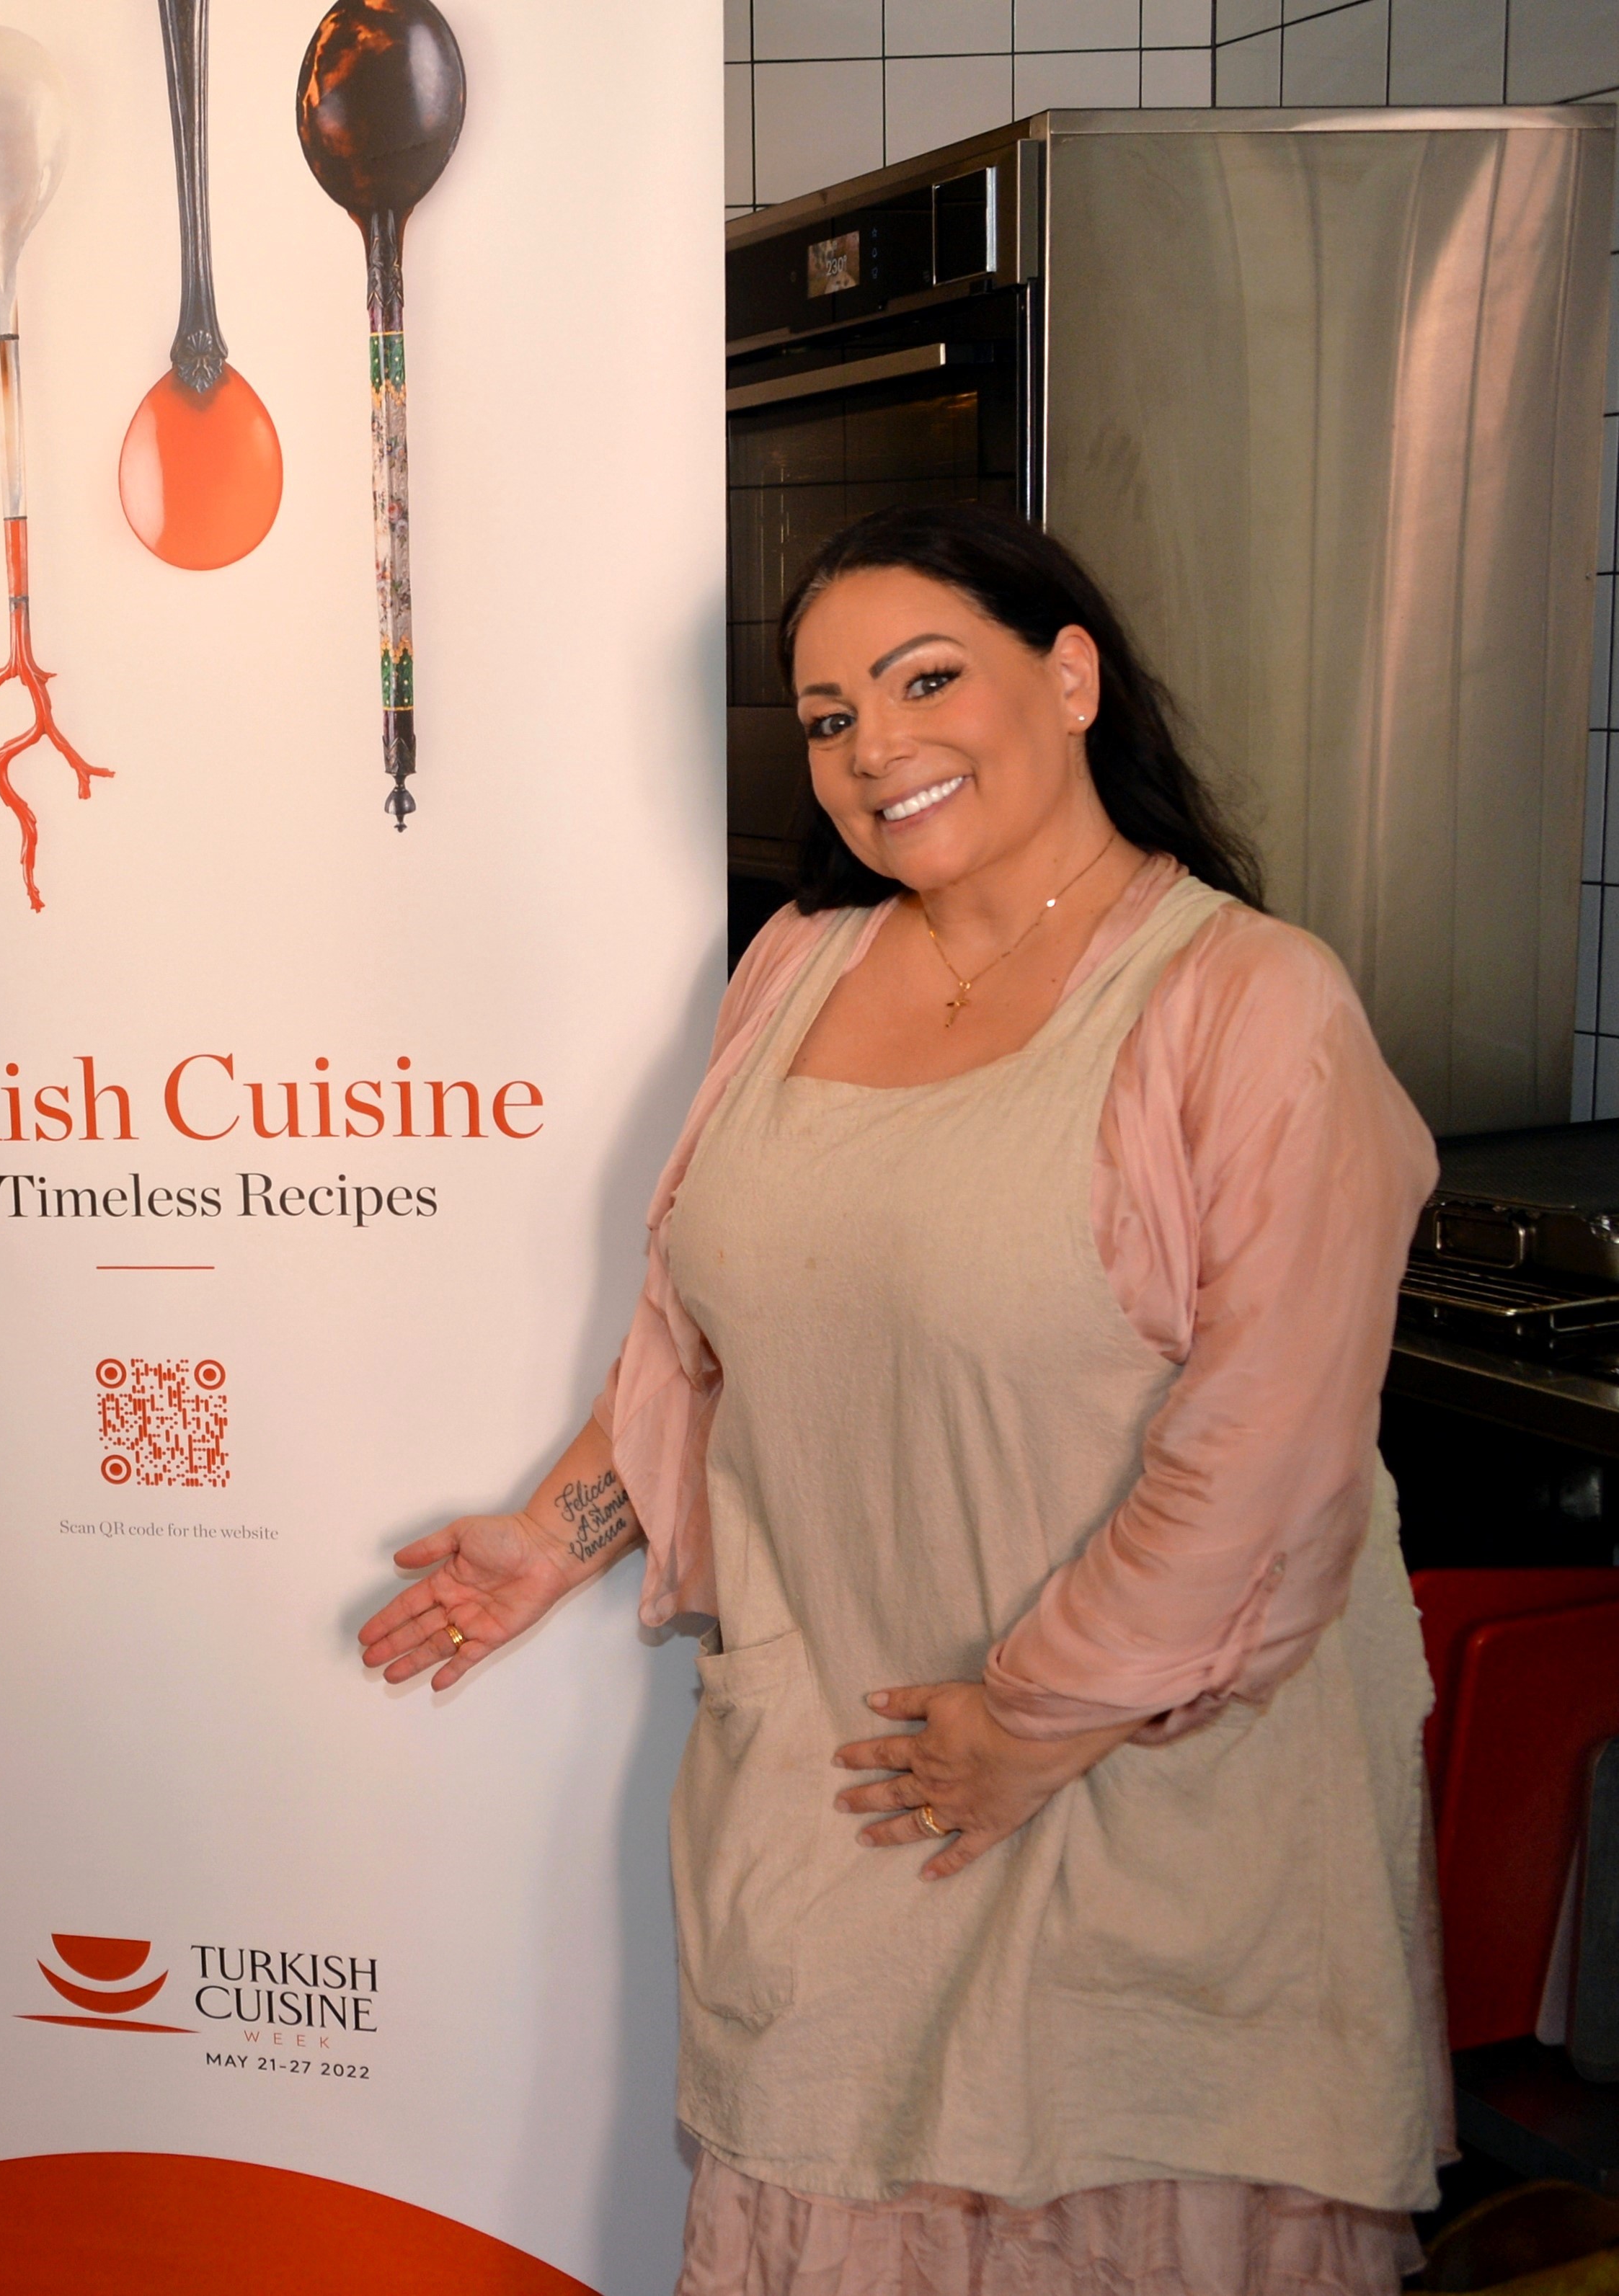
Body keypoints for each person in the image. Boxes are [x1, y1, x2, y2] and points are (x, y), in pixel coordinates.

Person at [362, 503, 1444, 2295]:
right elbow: (708, 1335)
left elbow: (1268, 1445)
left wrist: (1029, 1719)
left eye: (923, 680)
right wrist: (554, 1538)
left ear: (1070, 677)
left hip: (1144, 1818)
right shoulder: (796, 967)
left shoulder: (1248, 1001)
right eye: (828, 716)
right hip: (847, 1806)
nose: (873, 746)